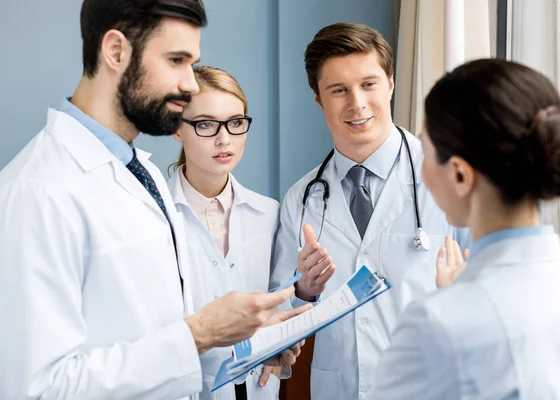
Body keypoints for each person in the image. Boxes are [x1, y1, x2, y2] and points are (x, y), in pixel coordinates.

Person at [0, 1, 305, 399]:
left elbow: (156, 327)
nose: (191, 84)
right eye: (176, 60)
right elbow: (37, 390)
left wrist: (249, 342)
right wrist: (200, 334)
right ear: (115, 51)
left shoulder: (142, 174)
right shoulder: (37, 191)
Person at [370, 58, 560, 399]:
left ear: (460, 175)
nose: (421, 172)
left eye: (425, 152)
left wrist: (452, 300)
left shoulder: (437, 323)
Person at [270, 22, 470, 400]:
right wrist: (304, 290)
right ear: (317, 98)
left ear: (391, 83)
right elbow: (280, 321)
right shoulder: (301, 200)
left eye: (369, 84)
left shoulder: (450, 178)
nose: (357, 103)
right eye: (338, 90)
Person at [168, 65, 286, 399]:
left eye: (236, 123)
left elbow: (278, 310)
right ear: (177, 128)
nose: (225, 139)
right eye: (206, 124)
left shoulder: (269, 213)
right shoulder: (152, 218)